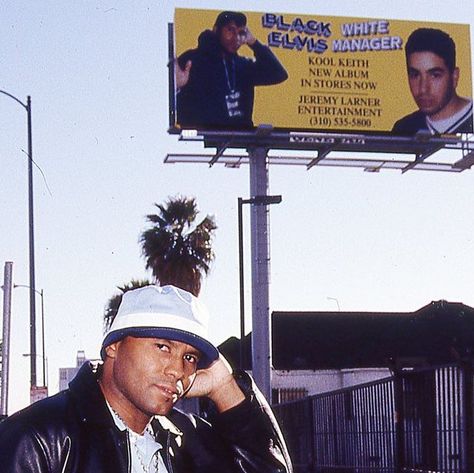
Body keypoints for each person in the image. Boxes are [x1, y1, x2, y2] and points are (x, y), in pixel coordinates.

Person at [0, 285, 293, 472]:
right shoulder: (38, 439)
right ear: (113, 347)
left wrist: (224, 387)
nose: (177, 370)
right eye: (162, 347)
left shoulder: (188, 440)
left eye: (189, 357)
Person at [175, 10, 288, 129]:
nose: (236, 38)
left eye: (240, 32)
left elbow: (279, 74)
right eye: (230, 30)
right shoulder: (193, 59)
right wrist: (178, 88)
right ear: (216, 30)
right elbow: (178, 111)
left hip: (241, 138)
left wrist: (254, 43)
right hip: (202, 137)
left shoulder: (243, 65)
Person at [392, 28, 473, 135]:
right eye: (415, 75)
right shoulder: (404, 128)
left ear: (454, 76)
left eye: (435, 75)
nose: (423, 88)